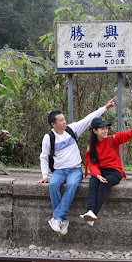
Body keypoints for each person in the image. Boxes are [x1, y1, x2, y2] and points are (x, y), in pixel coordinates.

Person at [36, 98, 116, 236]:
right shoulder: (48, 138)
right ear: (53, 124)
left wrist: (105, 108)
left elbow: (88, 118)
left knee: (72, 185)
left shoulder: (72, 130)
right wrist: (44, 176)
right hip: (59, 171)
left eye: (64, 119)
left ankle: (57, 218)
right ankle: (61, 219)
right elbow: (44, 156)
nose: (64, 122)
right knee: (53, 184)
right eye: (60, 120)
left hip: (75, 169)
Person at [80, 117, 132, 226]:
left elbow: (130, 133)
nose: (105, 131)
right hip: (100, 172)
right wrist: (97, 175)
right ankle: (90, 211)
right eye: (102, 129)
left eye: (106, 128)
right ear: (95, 131)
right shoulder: (91, 147)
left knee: (103, 185)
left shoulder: (112, 139)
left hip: (114, 171)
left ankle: (93, 214)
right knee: (93, 182)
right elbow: (92, 164)